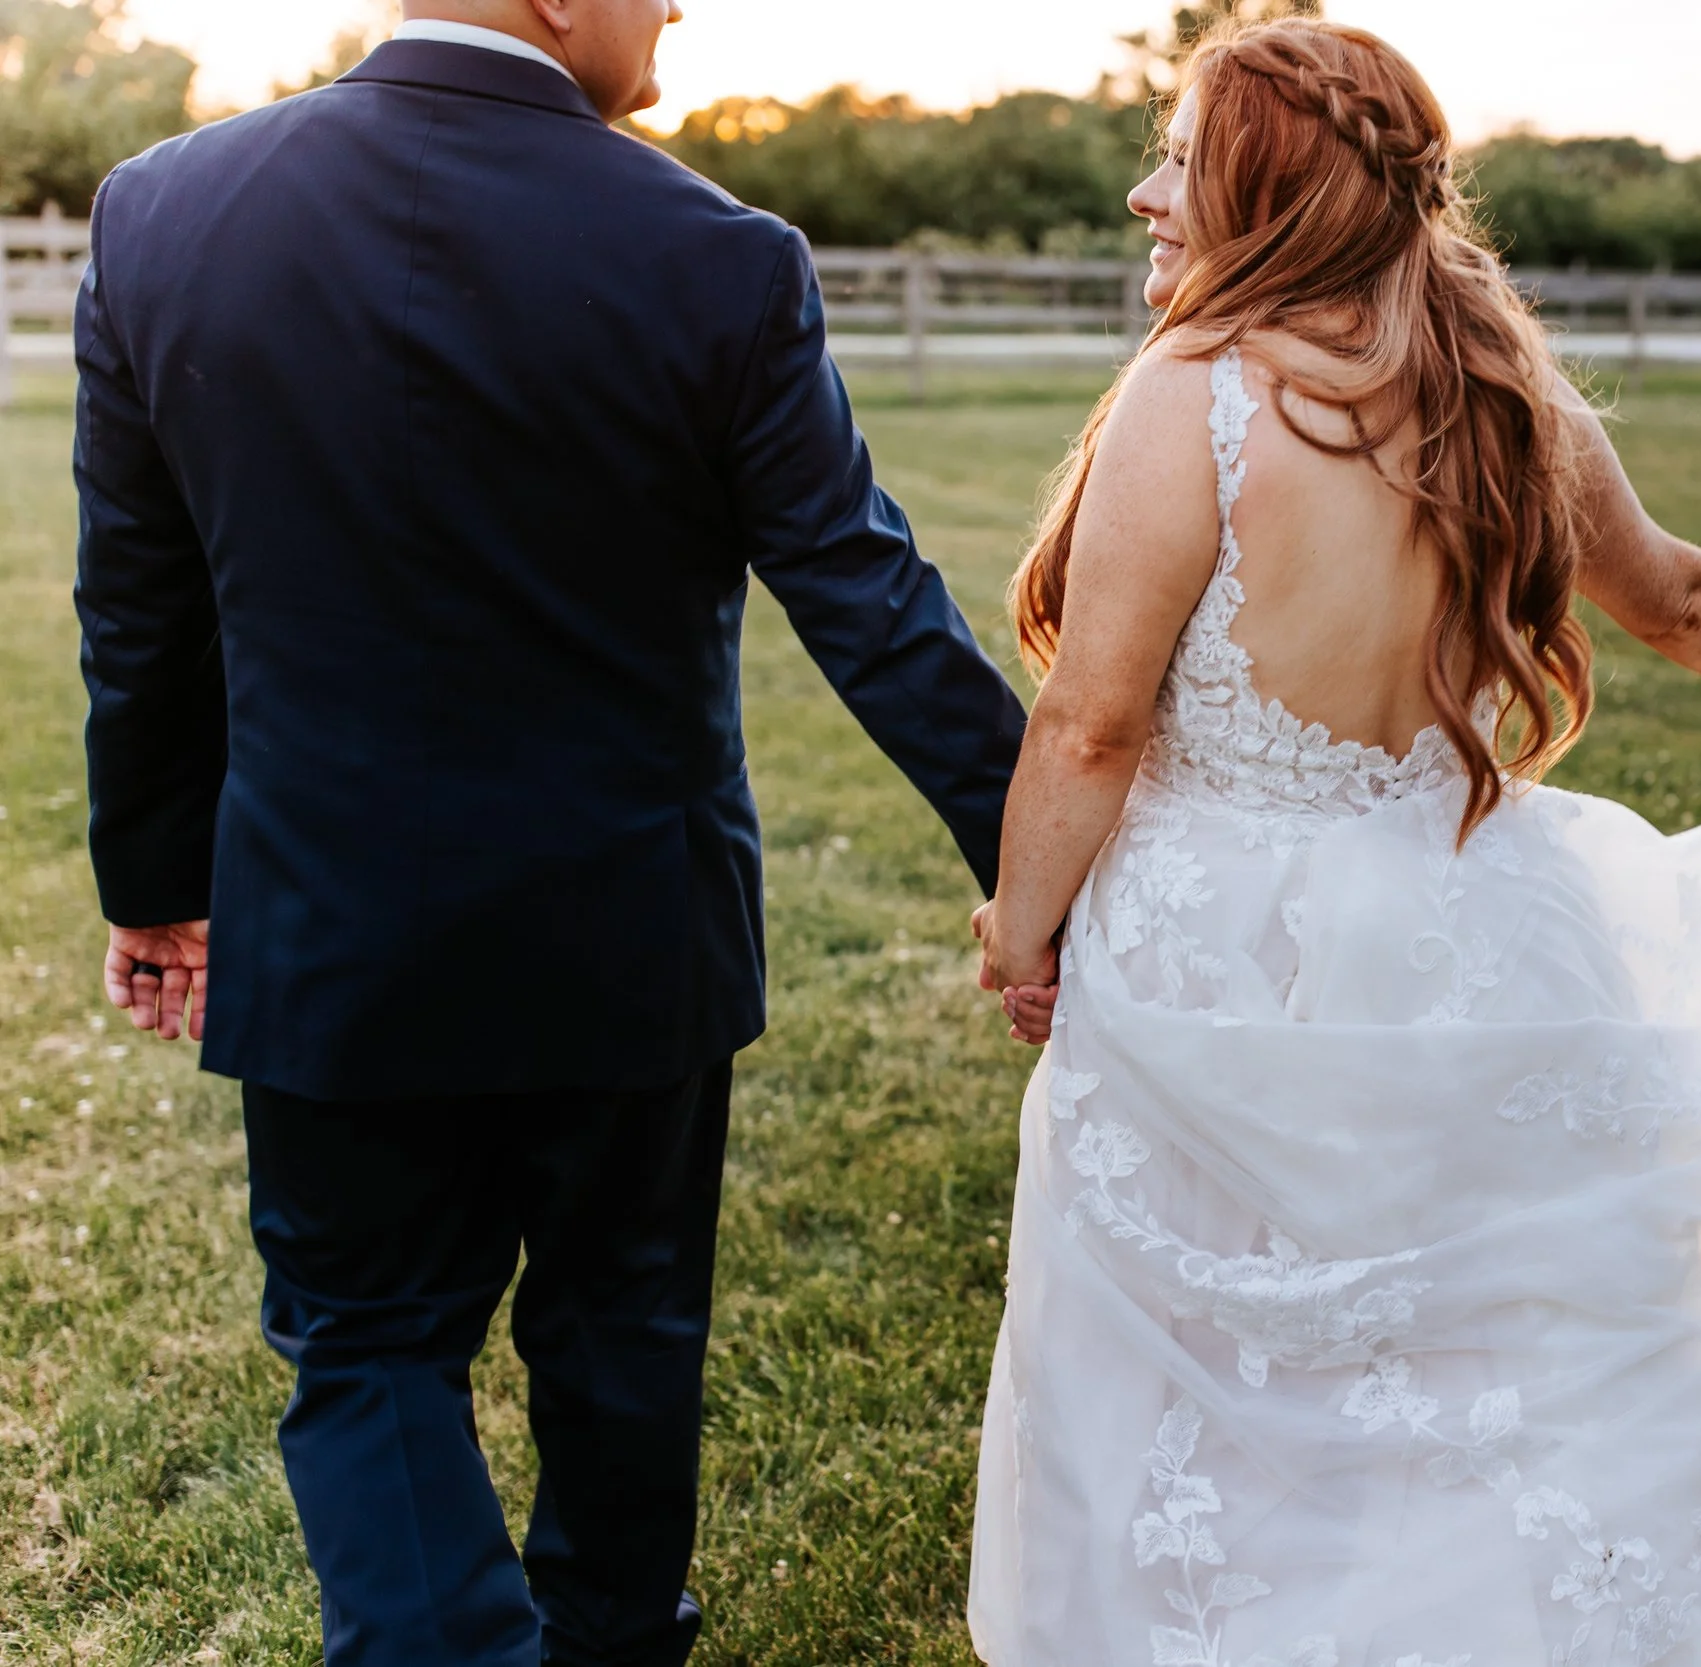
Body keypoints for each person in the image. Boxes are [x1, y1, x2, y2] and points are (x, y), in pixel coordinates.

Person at [965, 19, 1701, 1664]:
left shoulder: (1189, 402)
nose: (1146, 193)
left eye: (1179, 161)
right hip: (1466, 934)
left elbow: (1091, 723)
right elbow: (1681, 597)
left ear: (1268, 193)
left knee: (1228, 1374)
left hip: (1223, 971)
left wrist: (1022, 924)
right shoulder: (1504, 393)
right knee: (1481, 1361)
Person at [72, 2, 1025, 1662]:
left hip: (327, 921)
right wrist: (1042, 857)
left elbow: (138, 613)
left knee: (367, 1348)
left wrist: (159, 887)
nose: (677, 11)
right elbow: (867, 598)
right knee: (624, 1332)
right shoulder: (719, 254)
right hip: (628, 928)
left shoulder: (165, 211)